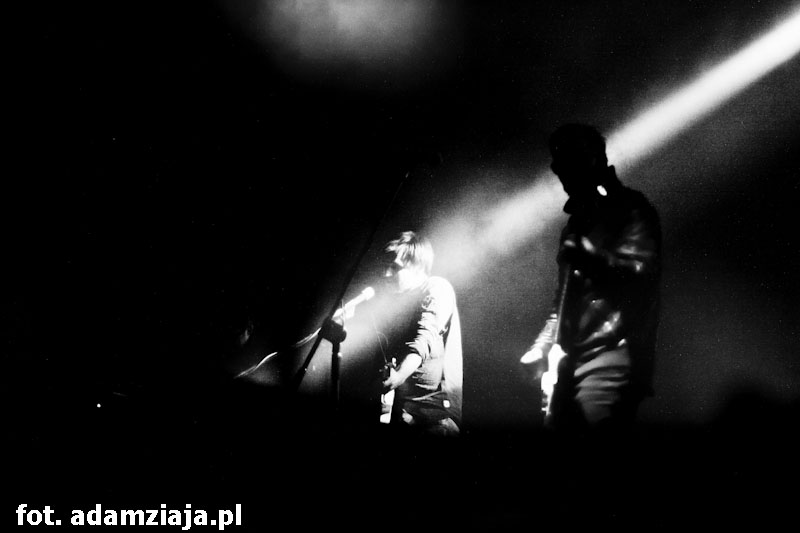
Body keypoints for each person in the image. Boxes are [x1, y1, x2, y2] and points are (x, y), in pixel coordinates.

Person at [521, 123, 662, 440]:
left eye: (564, 160)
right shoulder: (575, 225)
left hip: (613, 357)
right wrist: (542, 347)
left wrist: (591, 258)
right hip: (570, 363)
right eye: (556, 162)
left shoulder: (631, 210)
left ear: (591, 159)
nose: (557, 170)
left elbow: (639, 279)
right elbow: (562, 302)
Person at [376, 231, 463, 437]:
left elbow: (424, 339)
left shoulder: (437, 288)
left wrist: (399, 376)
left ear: (417, 267)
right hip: (405, 414)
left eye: (394, 267)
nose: (386, 274)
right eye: (385, 267)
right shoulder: (398, 303)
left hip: (435, 419)